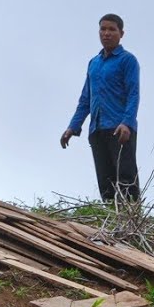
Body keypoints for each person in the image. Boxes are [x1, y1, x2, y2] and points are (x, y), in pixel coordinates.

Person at [60, 14, 141, 202]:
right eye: (103, 29)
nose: (106, 33)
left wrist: (127, 123)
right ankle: (111, 216)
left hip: (119, 128)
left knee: (126, 178)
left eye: (112, 29)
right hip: (97, 129)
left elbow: (133, 93)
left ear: (121, 33)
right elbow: (85, 99)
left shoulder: (127, 60)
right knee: (105, 181)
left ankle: (131, 217)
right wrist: (72, 127)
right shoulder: (94, 63)